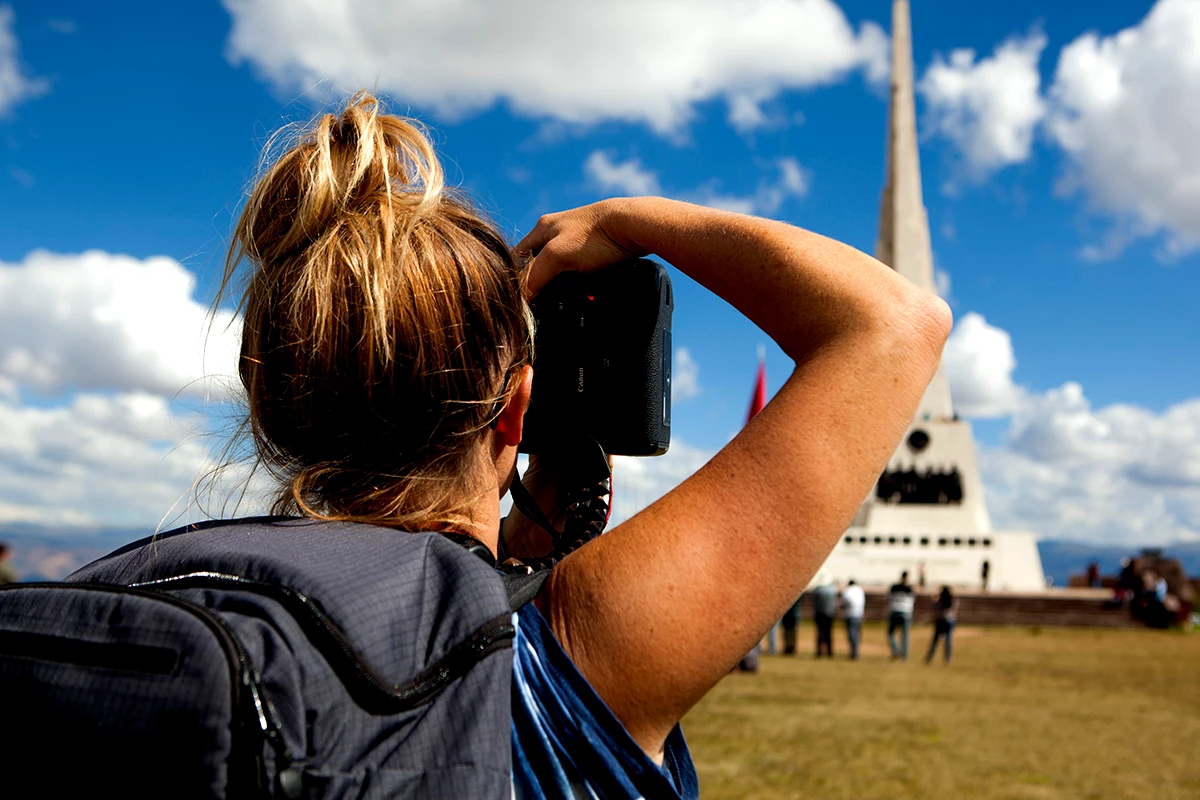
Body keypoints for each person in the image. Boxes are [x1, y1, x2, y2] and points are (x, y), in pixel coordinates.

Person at [214, 93, 950, 796]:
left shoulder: (143, 594)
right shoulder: (563, 646)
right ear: (514, 411)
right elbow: (893, 322)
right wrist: (627, 220)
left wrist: (517, 552)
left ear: (270, 399)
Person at [924, 586, 958, 664]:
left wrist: (934, 600)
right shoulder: (952, 601)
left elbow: (935, 610)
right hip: (949, 621)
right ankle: (947, 658)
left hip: (941, 621)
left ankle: (930, 656)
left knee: (935, 640)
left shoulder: (939, 601)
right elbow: (953, 612)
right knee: (948, 640)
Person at [887, 571, 916, 661]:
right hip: (906, 613)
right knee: (905, 635)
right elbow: (913, 599)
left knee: (891, 633)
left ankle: (897, 650)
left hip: (895, 611)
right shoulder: (910, 588)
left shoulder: (894, 587)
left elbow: (888, 597)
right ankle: (904, 656)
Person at [812, 574, 838, 658]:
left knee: (820, 633)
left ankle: (819, 651)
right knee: (829, 633)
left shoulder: (818, 590)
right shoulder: (832, 589)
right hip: (830, 614)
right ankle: (830, 651)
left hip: (820, 614)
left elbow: (813, 600)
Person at [840, 579, 865, 660]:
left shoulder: (848, 591)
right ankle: (855, 652)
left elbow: (844, 603)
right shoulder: (860, 590)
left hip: (850, 615)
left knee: (852, 635)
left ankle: (854, 653)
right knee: (857, 635)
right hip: (859, 615)